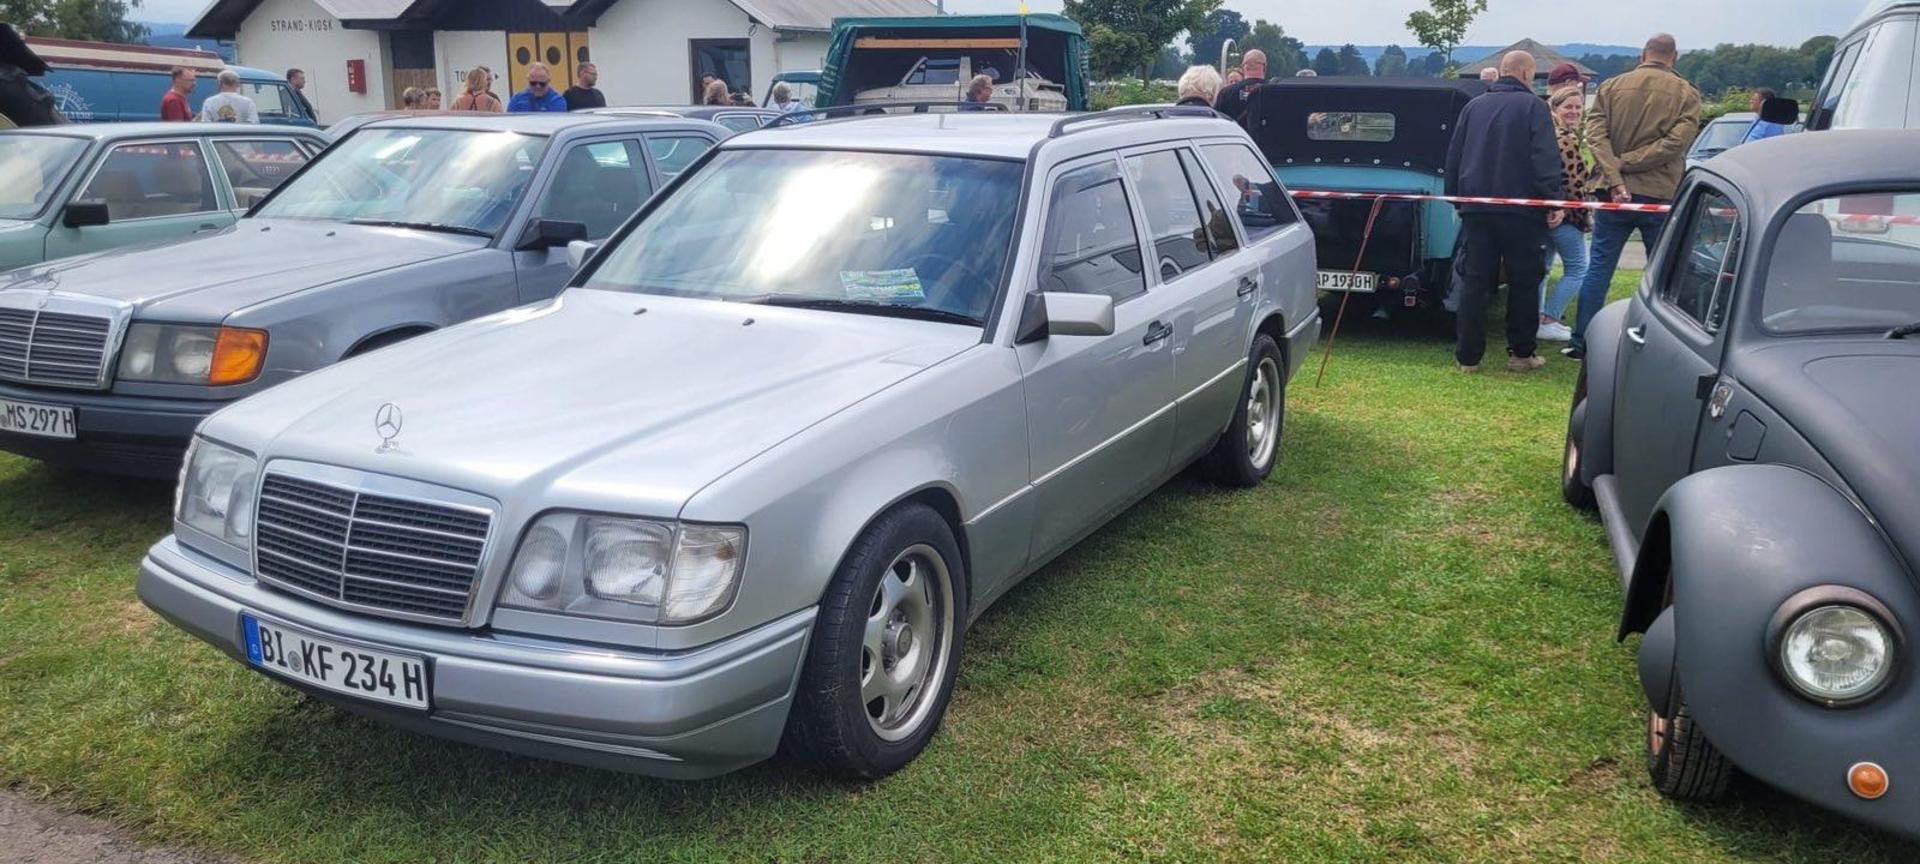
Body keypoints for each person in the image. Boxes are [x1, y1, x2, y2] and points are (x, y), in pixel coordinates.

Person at [1566, 33, 1701, 358]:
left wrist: (1616, 172)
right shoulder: (1688, 93)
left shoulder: (1612, 87)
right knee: (1662, 272)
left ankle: (1581, 340)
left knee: (1599, 267)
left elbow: (1595, 136)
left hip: (1613, 194)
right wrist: (1630, 166)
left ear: (1644, 54)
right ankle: (1661, 342)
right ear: (1675, 57)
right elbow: (1675, 145)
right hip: (1659, 192)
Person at [1444, 50, 1564, 373]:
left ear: (1501, 72)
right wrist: (1553, 200)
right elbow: (1545, 159)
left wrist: (1455, 199)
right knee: (1524, 281)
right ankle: (1521, 355)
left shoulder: (1474, 107)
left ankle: (1467, 358)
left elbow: (1454, 156)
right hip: (1521, 210)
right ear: (1527, 74)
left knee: (1475, 282)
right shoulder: (1535, 107)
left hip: (1477, 209)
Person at [1538, 86, 1599, 342]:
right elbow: (1572, 182)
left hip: (1545, 211)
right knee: (1578, 269)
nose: (1574, 111)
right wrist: (1572, 210)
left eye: (1577, 107)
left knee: (1544, 268)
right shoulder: (1567, 139)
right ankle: (1551, 317)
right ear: (1555, 109)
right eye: (1568, 107)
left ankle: (1537, 317)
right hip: (1567, 215)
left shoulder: (1545, 136)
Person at [1213, 49, 1266, 120]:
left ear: (1243, 68)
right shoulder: (1276, 92)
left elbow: (1218, 122)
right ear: (1265, 67)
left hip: (1233, 130)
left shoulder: (1225, 93)